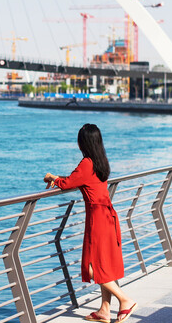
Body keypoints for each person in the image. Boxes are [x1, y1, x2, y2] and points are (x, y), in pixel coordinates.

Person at [44, 124, 137, 323]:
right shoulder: (100, 160)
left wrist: (53, 177)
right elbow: (76, 180)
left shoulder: (86, 163)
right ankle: (104, 310)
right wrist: (60, 178)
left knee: (93, 266)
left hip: (98, 218)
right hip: (107, 215)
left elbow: (68, 183)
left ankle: (125, 299)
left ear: (82, 143)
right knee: (103, 263)